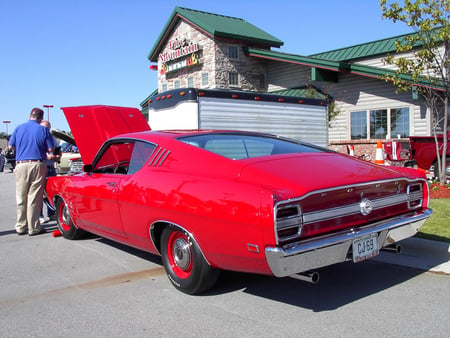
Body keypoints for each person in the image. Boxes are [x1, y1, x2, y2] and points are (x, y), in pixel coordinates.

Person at [8, 108, 55, 236]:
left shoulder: (18, 128)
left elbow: (10, 146)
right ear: (41, 118)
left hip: (21, 164)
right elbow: (51, 148)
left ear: (30, 116)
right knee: (34, 197)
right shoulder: (43, 130)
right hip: (38, 164)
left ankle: (20, 226)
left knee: (21, 196)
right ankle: (33, 227)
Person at [39, 120, 59, 223]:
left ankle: (51, 213)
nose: (46, 130)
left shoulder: (52, 138)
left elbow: (57, 150)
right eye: (44, 128)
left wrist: (58, 155)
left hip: (51, 167)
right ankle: (40, 216)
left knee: (51, 191)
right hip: (42, 167)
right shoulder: (38, 137)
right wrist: (47, 156)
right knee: (39, 193)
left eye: (48, 128)